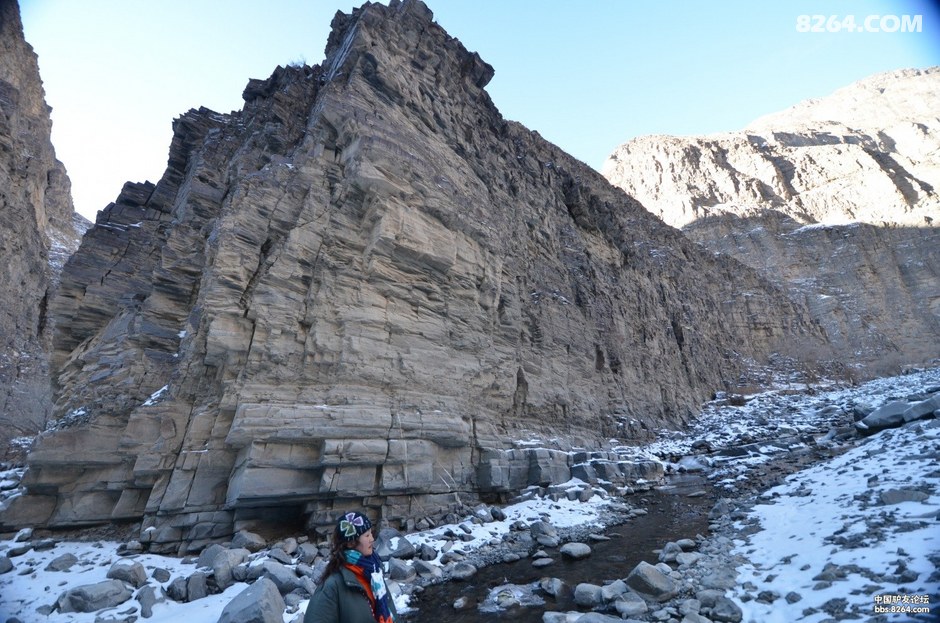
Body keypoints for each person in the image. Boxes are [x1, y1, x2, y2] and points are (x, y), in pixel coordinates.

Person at [304, 511, 398, 623]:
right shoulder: (333, 585)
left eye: (371, 533)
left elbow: (390, 611)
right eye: (367, 535)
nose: (372, 539)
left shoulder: (374, 572)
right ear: (350, 543)